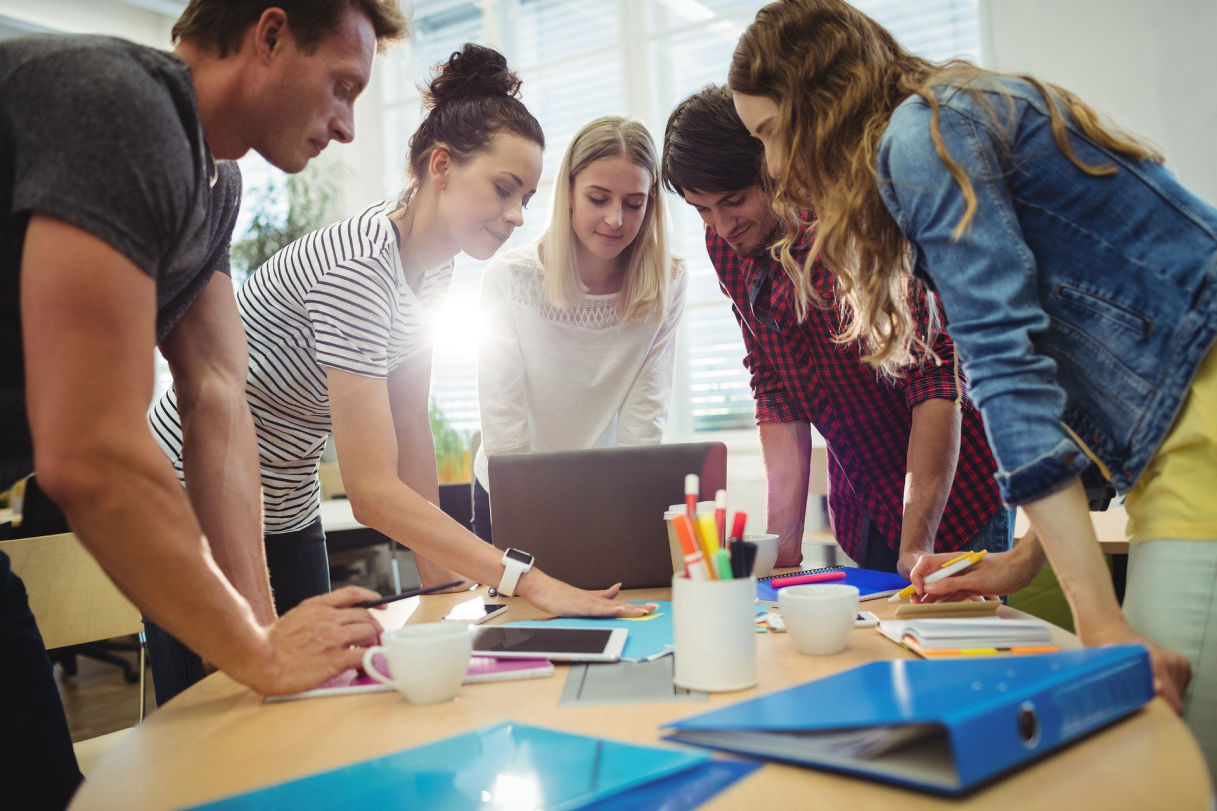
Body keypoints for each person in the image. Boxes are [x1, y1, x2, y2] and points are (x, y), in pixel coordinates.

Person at [728, 0, 1213, 771]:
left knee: (1158, 748)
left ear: (814, 105)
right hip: (1180, 433)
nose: (777, 167)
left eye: (767, 133)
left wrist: (1097, 619)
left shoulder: (920, 141)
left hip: (1203, 430)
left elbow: (1005, 366)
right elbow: (1081, 372)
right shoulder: (948, 113)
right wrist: (1023, 561)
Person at [146, 44, 655, 702]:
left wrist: (445, 586)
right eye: (503, 189)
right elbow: (371, 490)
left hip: (286, 493)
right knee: (221, 712)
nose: (518, 215)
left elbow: (410, 426)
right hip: (195, 483)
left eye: (527, 196)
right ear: (440, 165)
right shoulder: (358, 265)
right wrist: (522, 578)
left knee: (303, 700)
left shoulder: (432, 268)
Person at [1, 2, 407, 807]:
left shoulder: (213, 179)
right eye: (341, 86)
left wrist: (266, 645)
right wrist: (256, 651)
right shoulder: (122, 104)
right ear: (269, 35)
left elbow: (219, 397)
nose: (348, 125)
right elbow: (90, 456)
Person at [661, 85, 1009, 574]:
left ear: (773, 168)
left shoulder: (852, 225)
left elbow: (932, 382)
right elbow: (775, 386)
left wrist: (917, 546)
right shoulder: (727, 244)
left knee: (954, 645)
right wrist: (782, 547)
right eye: (701, 209)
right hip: (863, 501)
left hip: (952, 499)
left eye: (734, 200)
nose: (720, 226)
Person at [472, 117, 687, 541]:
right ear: (569, 194)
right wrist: (527, 516)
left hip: (607, 488)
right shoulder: (511, 278)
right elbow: (503, 421)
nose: (615, 219)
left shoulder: (668, 280)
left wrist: (628, 513)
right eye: (598, 198)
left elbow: (645, 419)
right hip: (511, 487)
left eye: (633, 203)